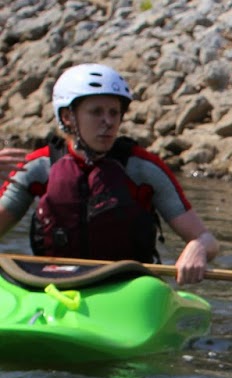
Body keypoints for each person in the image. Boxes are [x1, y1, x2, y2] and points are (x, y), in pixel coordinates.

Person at [0, 63, 219, 286]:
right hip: (53, 286)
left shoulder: (144, 169)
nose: (109, 121)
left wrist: (198, 247)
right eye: (96, 112)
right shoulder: (37, 167)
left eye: (114, 112)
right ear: (67, 117)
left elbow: (207, 239)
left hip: (126, 286)